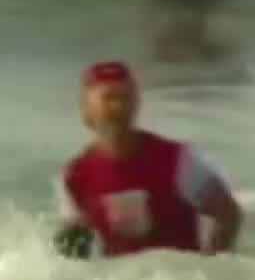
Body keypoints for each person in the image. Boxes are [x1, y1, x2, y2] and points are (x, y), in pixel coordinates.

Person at [56, 61, 242, 259]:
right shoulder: (75, 176)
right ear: (86, 111)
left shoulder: (179, 161)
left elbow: (229, 214)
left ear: (136, 105)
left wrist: (211, 267)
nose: (118, 107)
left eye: (125, 98)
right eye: (108, 99)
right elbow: (73, 253)